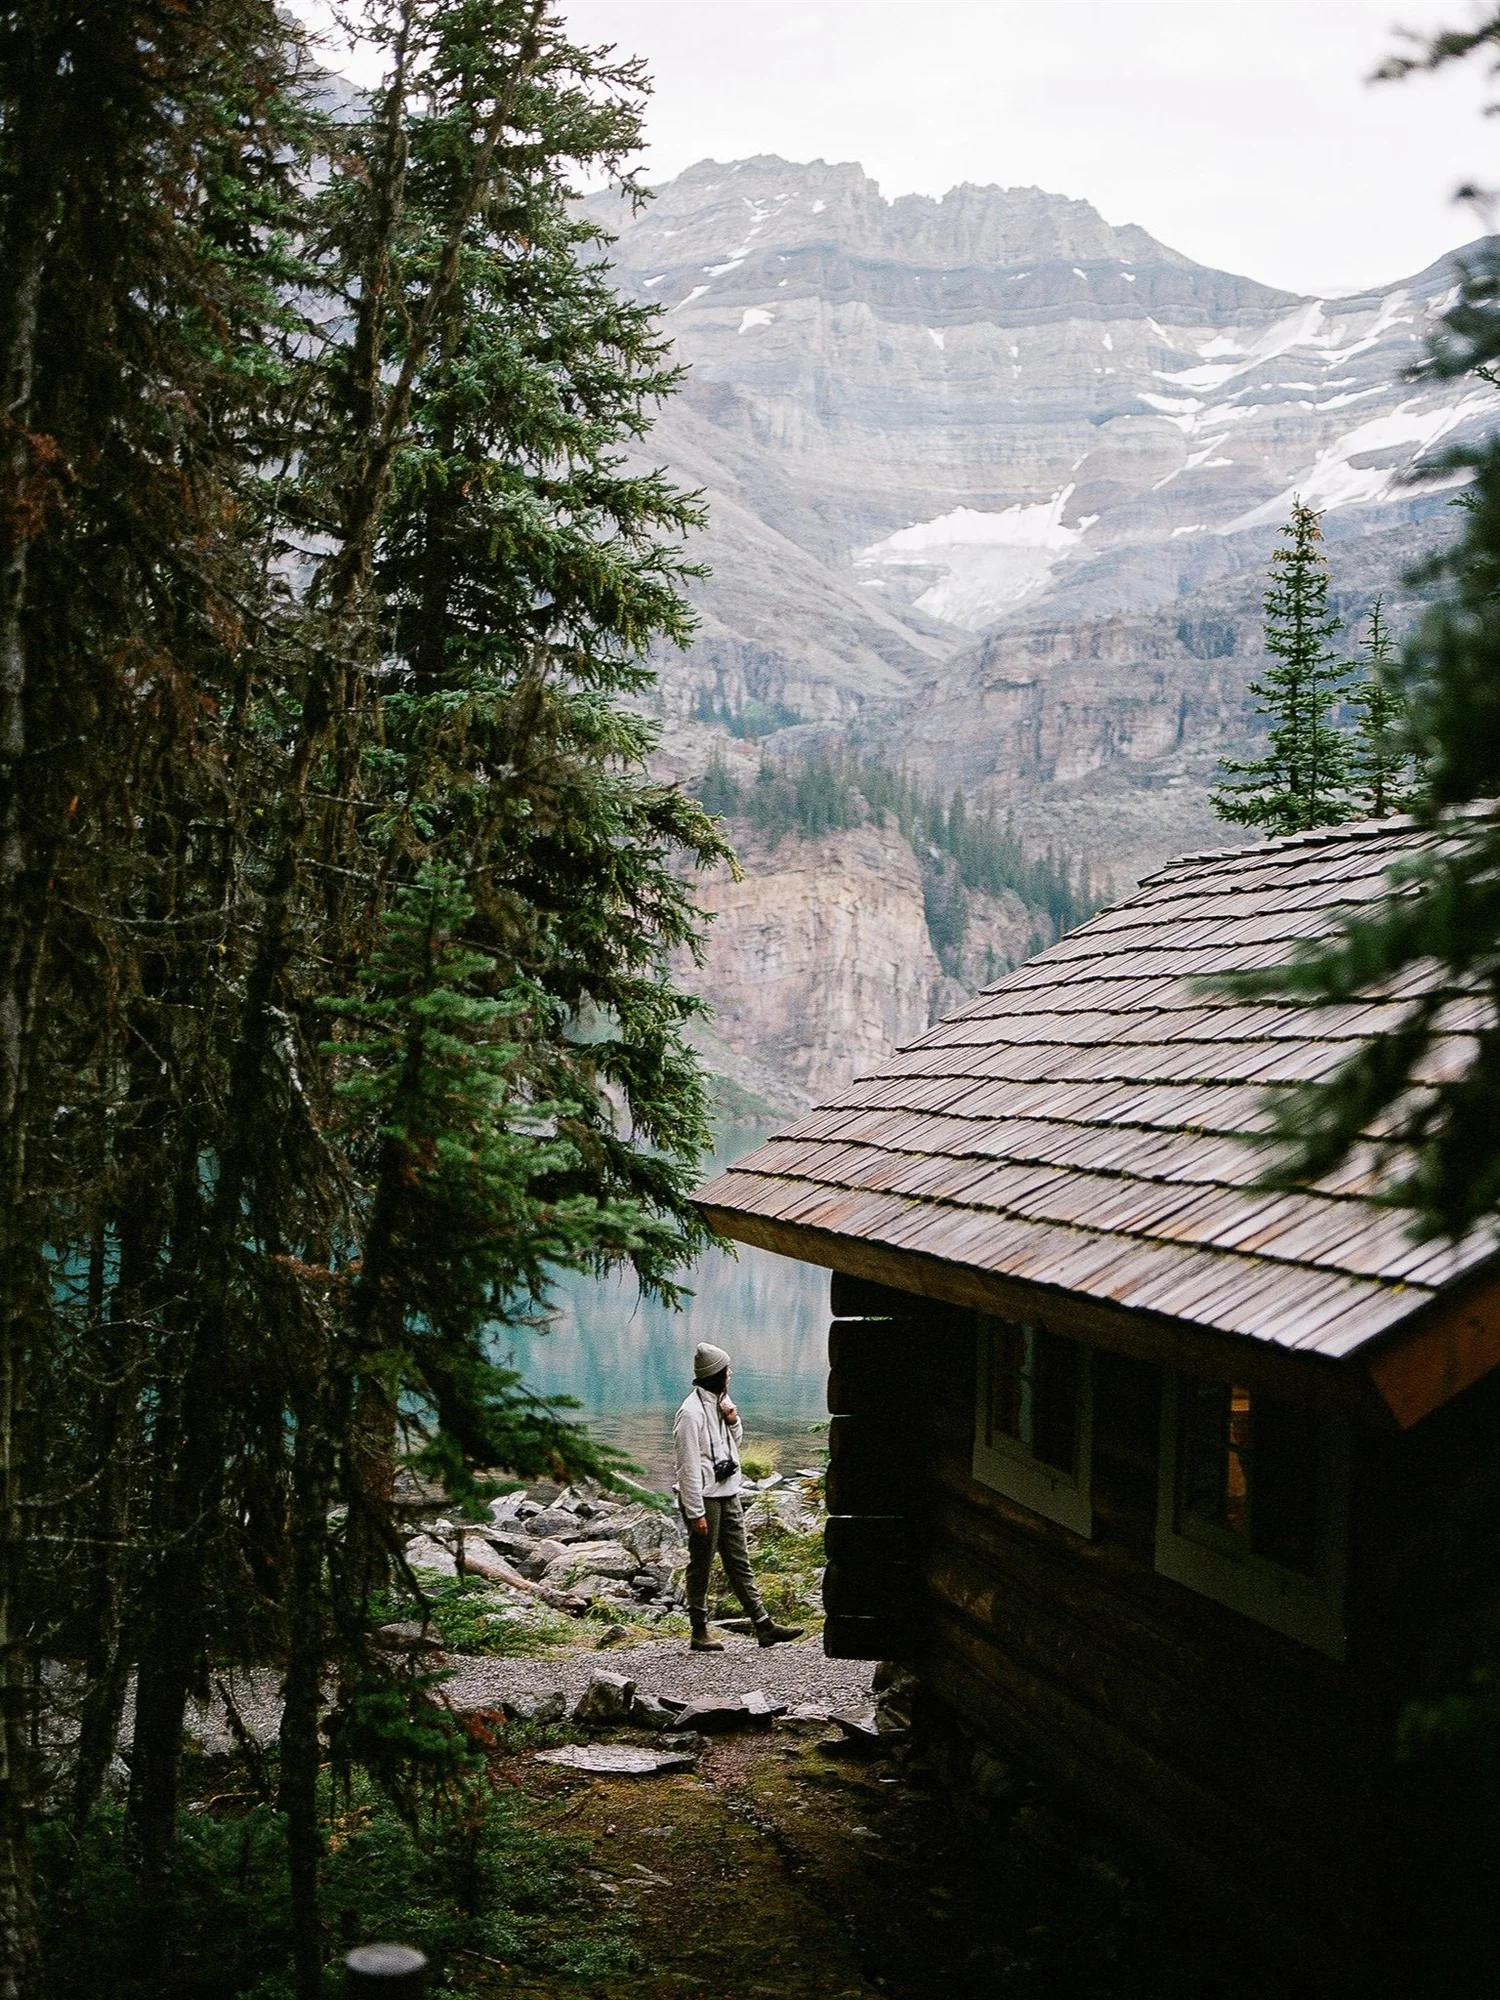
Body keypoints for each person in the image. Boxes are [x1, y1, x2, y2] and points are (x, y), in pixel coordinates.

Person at [674, 1342, 804, 1652]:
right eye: (726, 1370)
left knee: (739, 1561)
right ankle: (699, 1630)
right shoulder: (689, 1414)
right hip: (704, 1498)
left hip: (729, 1492)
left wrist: (732, 1419)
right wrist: (695, 1513)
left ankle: (764, 1626)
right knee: (701, 1564)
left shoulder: (721, 1402)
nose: (730, 1374)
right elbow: (687, 1467)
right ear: (715, 1374)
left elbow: (734, 1444)